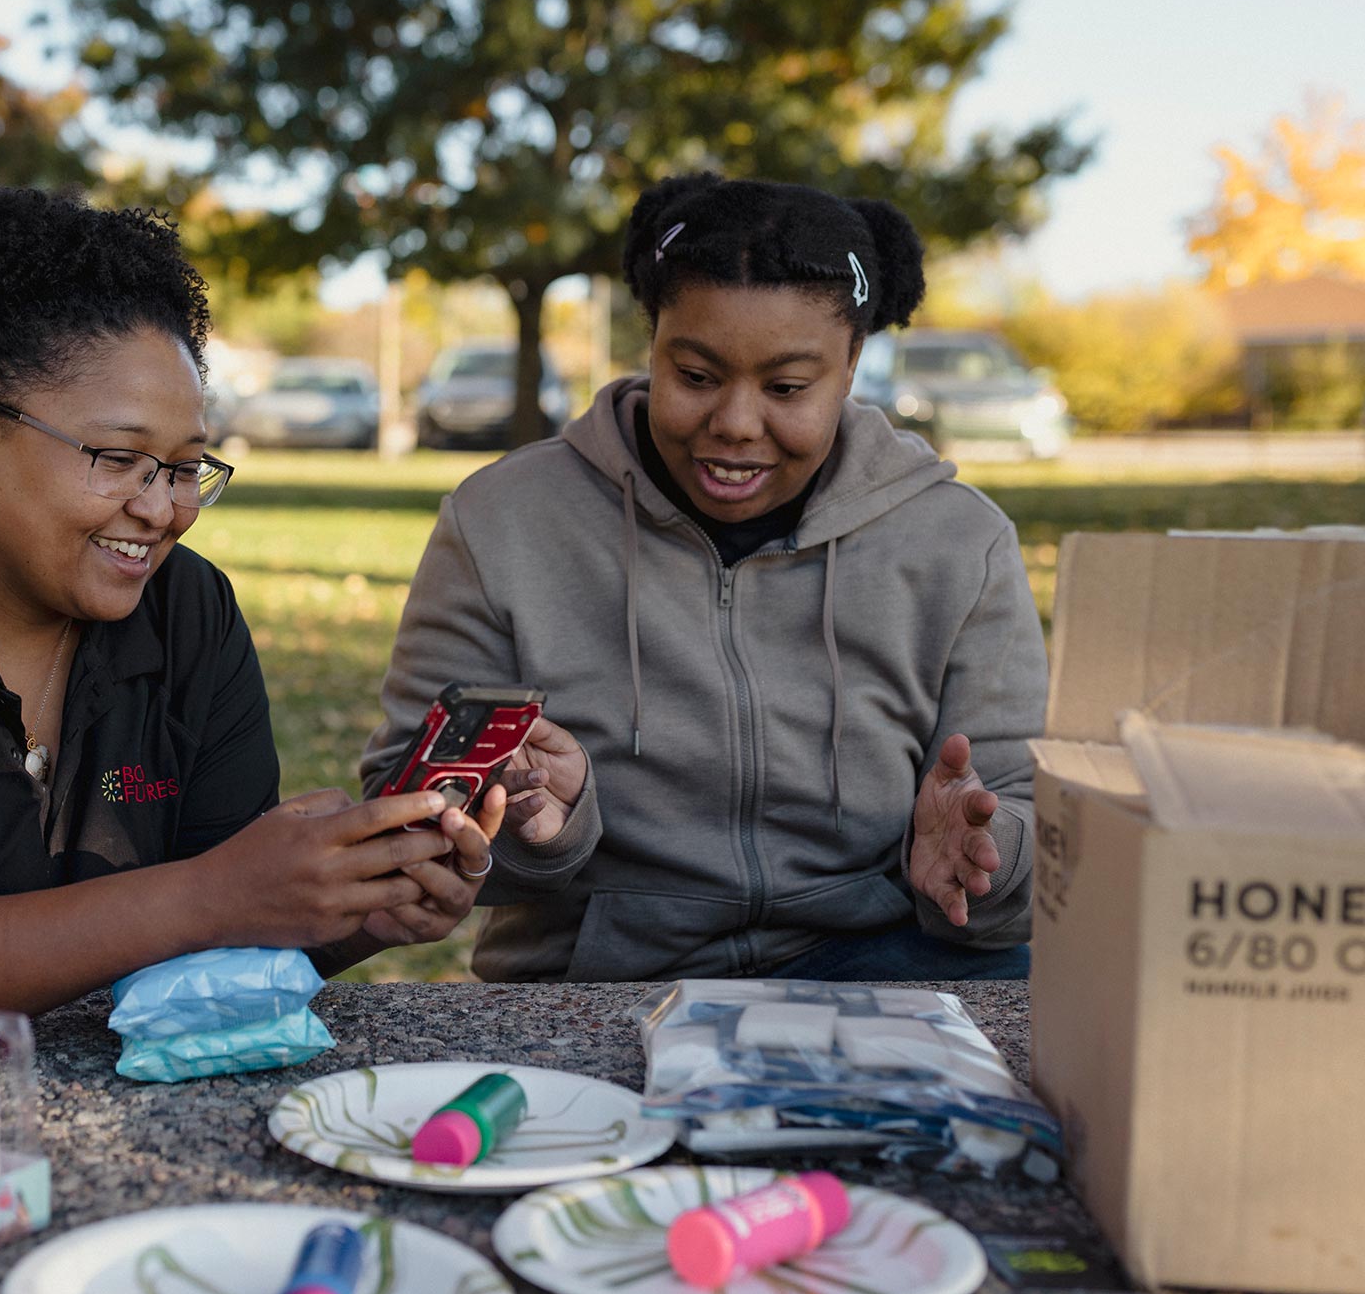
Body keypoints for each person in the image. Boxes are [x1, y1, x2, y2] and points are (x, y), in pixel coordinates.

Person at [0, 187, 502, 1012]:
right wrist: (209, 895)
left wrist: (363, 903)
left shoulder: (190, 614)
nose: (162, 509)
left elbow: (223, 930)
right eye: (118, 457)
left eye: (187, 467)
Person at [365, 173, 1047, 983]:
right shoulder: (504, 523)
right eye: (694, 376)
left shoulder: (957, 543)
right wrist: (544, 826)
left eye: (788, 387)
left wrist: (984, 858)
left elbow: (1033, 829)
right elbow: (404, 815)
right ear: (652, 340)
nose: (734, 422)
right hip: (599, 984)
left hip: (889, 963)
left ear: (853, 363)